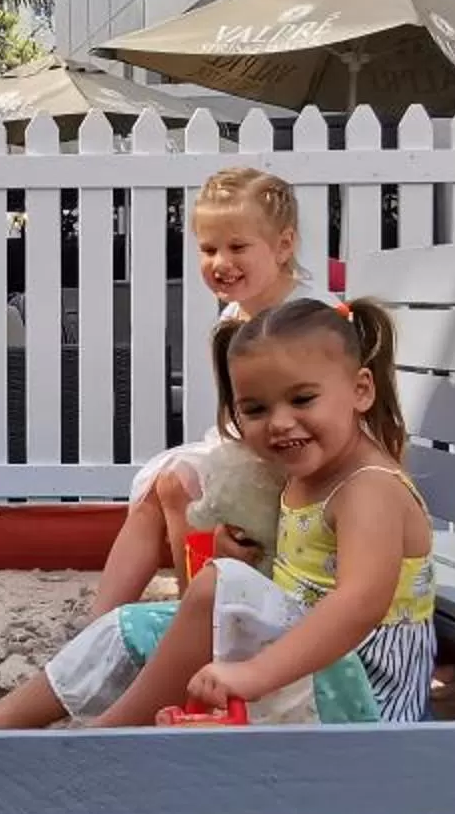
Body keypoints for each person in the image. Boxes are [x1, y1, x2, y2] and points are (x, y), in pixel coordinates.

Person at [0, 297, 436, 729]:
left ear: (361, 391)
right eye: (255, 408)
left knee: (213, 587)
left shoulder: (368, 489)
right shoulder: (306, 472)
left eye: (302, 399)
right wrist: (243, 556)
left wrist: (253, 672)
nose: (281, 422)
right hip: (313, 666)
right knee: (132, 625)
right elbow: (302, 577)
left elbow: (357, 605)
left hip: (370, 704)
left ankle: (108, 738)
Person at [89, 167, 326, 614]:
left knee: (178, 484)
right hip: (252, 451)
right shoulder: (235, 316)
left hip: (297, 464)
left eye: (237, 247)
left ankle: (198, 608)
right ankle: (100, 622)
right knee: (159, 487)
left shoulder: (307, 320)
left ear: (283, 246)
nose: (221, 262)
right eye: (208, 248)